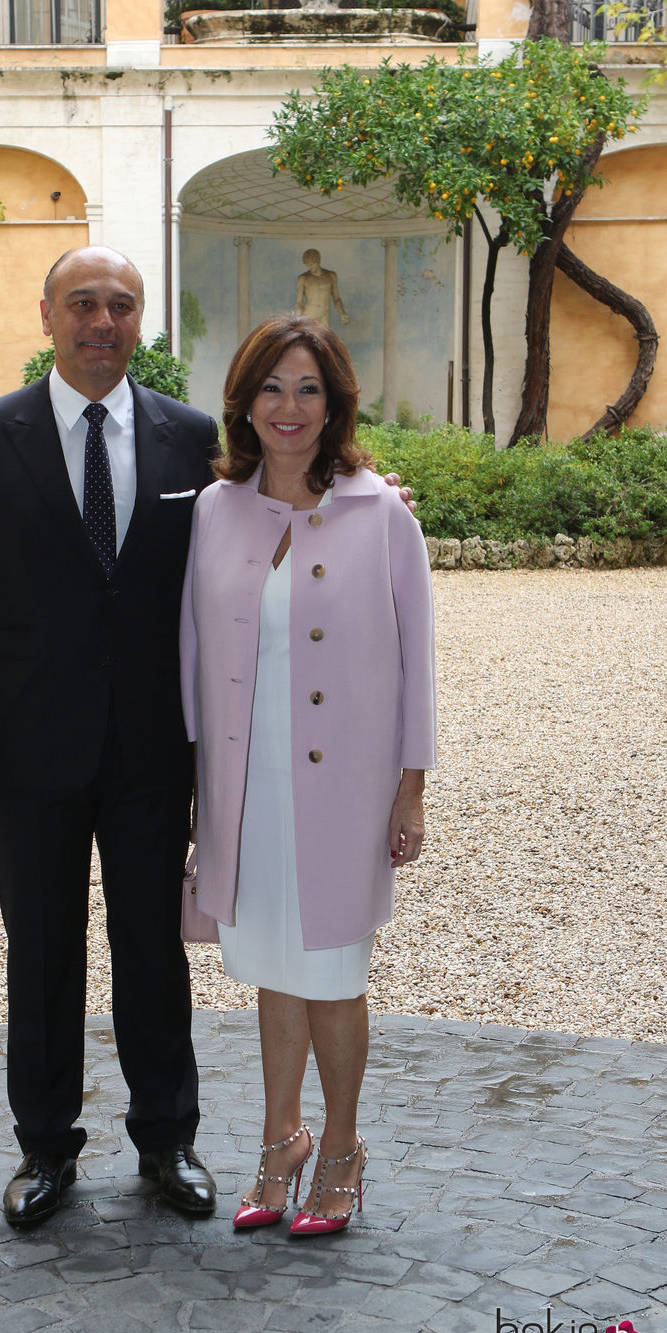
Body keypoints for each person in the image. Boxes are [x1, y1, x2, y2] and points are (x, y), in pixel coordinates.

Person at [0, 246, 220, 1227]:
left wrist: (364, 498)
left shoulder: (190, 436)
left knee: (149, 949)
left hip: (149, 744)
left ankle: (167, 1140)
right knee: (39, 951)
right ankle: (44, 1148)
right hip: (25, 741)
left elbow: (245, 556)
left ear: (139, 321)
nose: (101, 321)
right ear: (46, 313)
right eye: (82, 302)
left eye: (120, 305)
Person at [180, 314, 436, 1236]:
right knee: (274, 973)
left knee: (333, 970)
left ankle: (341, 1148)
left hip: (346, 789)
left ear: (336, 403)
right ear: (245, 401)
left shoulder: (382, 512)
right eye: (273, 389)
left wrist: (412, 787)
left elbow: (418, 660)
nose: (290, 408)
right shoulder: (215, 510)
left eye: (310, 390)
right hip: (249, 790)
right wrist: (193, 801)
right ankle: (278, 1140)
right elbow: (189, 655)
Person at [294, 249, 349, 329]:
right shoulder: (303, 278)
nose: (309, 267)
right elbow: (299, 303)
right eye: (307, 265)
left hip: (324, 318)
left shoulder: (331, 276)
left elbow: (336, 299)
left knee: (326, 340)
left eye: (312, 264)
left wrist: (342, 313)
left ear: (318, 261)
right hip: (309, 317)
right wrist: (296, 320)